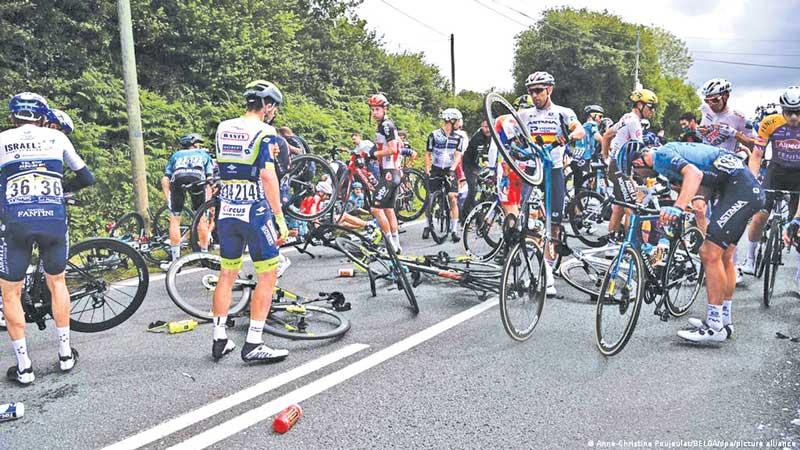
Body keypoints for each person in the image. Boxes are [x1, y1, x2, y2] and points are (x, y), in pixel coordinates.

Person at [616, 140, 764, 342]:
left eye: (635, 170)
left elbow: (694, 174)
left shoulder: (662, 156)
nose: (638, 176)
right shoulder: (668, 158)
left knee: (710, 254)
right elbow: (704, 181)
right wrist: (696, 203)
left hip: (740, 191)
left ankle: (714, 326)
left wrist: (678, 207)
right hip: (741, 189)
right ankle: (724, 321)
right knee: (725, 256)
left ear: (639, 160)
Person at [1, 92, 96, 384]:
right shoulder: (57, 139)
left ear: (12, 117)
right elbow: (86, 178)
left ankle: (25, 367)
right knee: (57, 283)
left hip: (14, 221)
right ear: (44, 118)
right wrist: (59, 186)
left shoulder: (2, 139)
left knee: (10, 292)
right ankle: (65, 355)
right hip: (53, 217)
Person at [211, 80, 289, 363]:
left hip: (227, 210)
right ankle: (254, 342)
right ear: (267, 105)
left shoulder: (223, 127)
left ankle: (220, 337)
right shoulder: (266, 131)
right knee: (267, 275)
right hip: (254, 209)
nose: (274, 113)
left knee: (227, 274)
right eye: (274, 107)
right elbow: (268, 176)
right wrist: (279, 217)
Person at [517, 71, 585, 296]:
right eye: (530, 91)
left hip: (554, 170)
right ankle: (534, 271)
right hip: (532, 170)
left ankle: (548, 264)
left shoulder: (563, 113)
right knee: (529, 220)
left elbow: (580, 129)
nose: (534, 96)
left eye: (538, 91)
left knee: (554, 223)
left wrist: (572, 135)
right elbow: (507, 128)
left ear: (550, 90)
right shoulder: (524, 114)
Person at [742, 87, 800, 292]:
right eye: (789, 111)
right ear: (782, 109)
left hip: (798, 176)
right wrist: (751, 181)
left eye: (798, 112)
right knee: (759, 215)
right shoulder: (770, 122)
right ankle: (749, 259)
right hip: (775, 172)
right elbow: (757, 155)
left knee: (798, 226)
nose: (793, 116)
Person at [602, 88, 657, 240]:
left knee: (619, 207)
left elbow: (607, 135)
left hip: (617, 165)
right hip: (621, 168)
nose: (653, 111)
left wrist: (606, 158)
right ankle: (631, 246)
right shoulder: (635, 122)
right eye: (651, 107)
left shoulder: (626, 117)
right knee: (631, 207)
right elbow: (639, 150)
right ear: (640, 105)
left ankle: (611, 245)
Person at [160, 133, 214, 270]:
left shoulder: (176, 155)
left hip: (178, 179)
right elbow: (209, 180)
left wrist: (168, 198)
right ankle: (204, 256)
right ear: (195, 144)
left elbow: (165, 178)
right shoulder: (204, 155)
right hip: (197, 179)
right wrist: (208, 202)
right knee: (201, 218)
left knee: (175, 218)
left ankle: (175, 260)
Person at [366, 93, 404, 252]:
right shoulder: (387, 125)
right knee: (388, 209)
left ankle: (390, 243)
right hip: (393, 172)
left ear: (384, 109)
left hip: (389, 173)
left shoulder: (386, 125)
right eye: (373, 109)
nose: (374, 112)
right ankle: (397, 244)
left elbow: (392, 149)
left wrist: (374, 155)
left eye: (377, 109)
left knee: (375, 209)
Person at [425, 108, 465, 242]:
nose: (460, 123)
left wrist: (452, 169)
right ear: (451, 120)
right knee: (430, 196)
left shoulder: (459, 137)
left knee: (453, 197)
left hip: (449, 168)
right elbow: (428, 153)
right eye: (458, 120)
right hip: (436, 168)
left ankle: (454, 230)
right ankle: (427, 224)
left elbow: (458, 155)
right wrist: (427, 168)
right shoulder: (434, 135)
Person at [461, 119, 492, 222]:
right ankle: (464, 217)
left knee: (486, 191)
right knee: (473, 190)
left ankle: (481, 217)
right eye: (485, 127)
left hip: (482, 165)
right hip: (470, 165)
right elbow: (479, 157)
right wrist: (482, 167)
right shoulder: (478, 138)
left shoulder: (493, 136)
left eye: (489, 127)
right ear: (481, 127)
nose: (487, 129)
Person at [571, 104, 604, 192]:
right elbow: (597, 137)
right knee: (583, 187)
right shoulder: (591, 124)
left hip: (577, 157)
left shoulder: (584, 126)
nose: (601, 119)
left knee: (578, 186)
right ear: (592, 115)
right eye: (600, 116)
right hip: (584, 158)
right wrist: (609, 146)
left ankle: (575, 204)